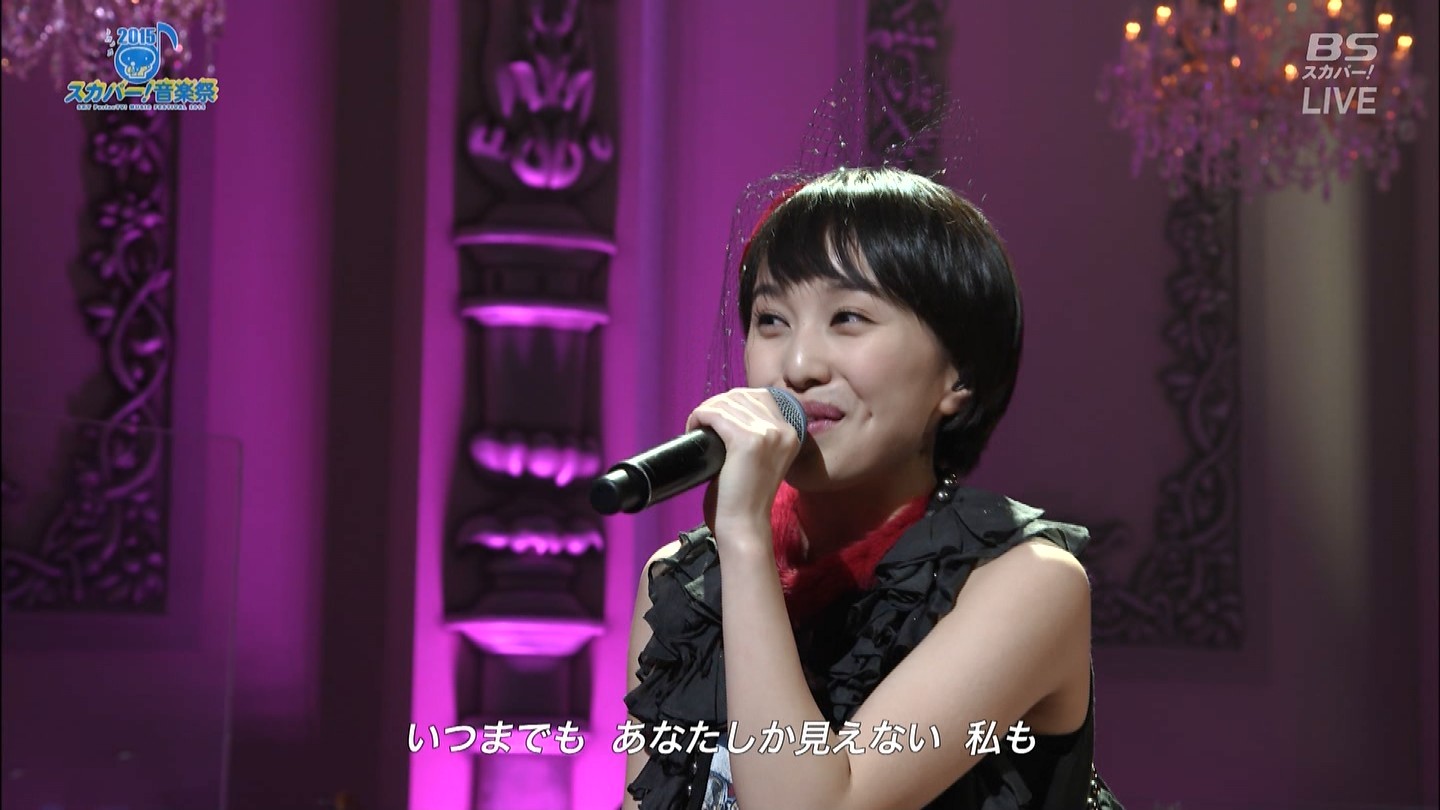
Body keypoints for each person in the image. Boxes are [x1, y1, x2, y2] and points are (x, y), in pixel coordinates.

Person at [621, 166, 1122, 810]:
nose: (798, 366)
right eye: (771, 319)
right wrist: (741, 547)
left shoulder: (1029, 583)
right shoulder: (683, 580)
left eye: (848, 317)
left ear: (958, 375)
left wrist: (742, 537)